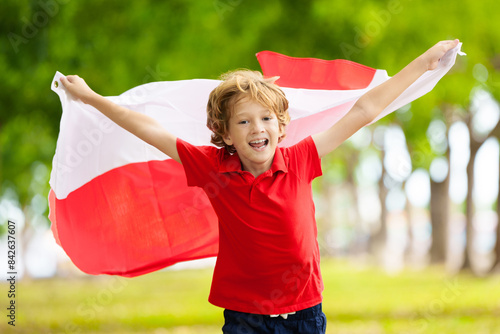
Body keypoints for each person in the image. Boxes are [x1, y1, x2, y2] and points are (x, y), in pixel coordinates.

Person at [60, 39, 459, 334]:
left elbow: (365, 109)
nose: (257, 129)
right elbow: (149, 129)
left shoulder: (302, 158)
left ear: (280, 126)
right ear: (226, 133)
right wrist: (91, 97)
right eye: (244, 121)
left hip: (304, 313)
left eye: (265, 119)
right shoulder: (213, 167)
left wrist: (423, 63)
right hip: (244, 317)